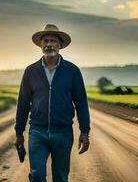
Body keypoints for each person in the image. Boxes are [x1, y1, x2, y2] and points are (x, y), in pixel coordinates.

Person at [14, 24, 91, 182]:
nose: (49, 44)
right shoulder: (30, 71)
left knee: (61, 177)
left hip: (63, 133)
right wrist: (19, 133)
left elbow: (81, 102)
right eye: (46, 41)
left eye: (53, 40)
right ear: (41, 45)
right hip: (37, 132)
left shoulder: (72, 71)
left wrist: (84, 131)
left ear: (60, 45)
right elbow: (23, 102)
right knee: (37, 175)